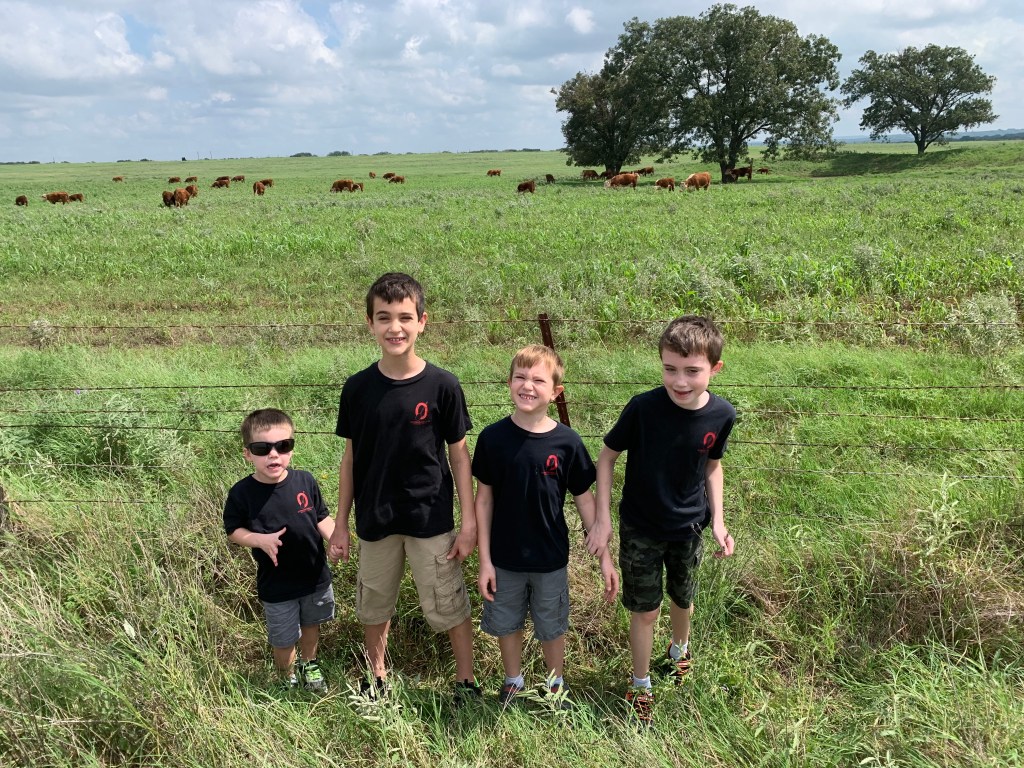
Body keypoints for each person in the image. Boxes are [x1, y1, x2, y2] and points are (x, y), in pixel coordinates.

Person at [327, 272, 480, 704]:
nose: (395, 327)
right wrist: (341, 523)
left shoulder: (443, 385)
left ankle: (465, 682)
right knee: (374, 602)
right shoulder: (358, 388)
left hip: (430, 516)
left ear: (422, 322)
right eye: (384, 317)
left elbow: (459, 456)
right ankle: (376, 677)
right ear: (370, 323)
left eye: (405, 318)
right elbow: (350, 460)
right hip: (375, 517)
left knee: (448, 600)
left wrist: (468, 523)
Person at [594, 315, 736, 723]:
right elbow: (606, 458)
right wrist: (602, 520)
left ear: (715, 369)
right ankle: (640, 684)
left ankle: (678, 651)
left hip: (689, 527)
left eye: (692, 371)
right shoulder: (643, 408)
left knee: (682, 597)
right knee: (645, 610)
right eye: (670, 369)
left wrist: (718, 521)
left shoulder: (722, 414)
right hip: (641, 526)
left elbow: (712, 466)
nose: (680, 381)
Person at [473, 345, 618, 706]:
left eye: (539, 380)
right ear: (509, 382)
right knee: (507, 623)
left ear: (556, 391)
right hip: (503, 558)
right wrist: (484, 561)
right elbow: (483, 501)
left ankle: (555, 684)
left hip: (550, 558)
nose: (528, 386)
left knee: (551, 625)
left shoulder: (567, 442)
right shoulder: (492, 438)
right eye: (520, 377)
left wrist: (605, 558)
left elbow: (585, 501)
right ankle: (513, 680)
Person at [223, 408, 336, 692]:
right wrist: (259, 540)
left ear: (291, 449)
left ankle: (309, 665)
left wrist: (336, 539)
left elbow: (321, 517)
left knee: (311, 625)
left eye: (283, 446)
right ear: (247, 454)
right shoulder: (242, 493)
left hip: (314, 576)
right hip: (277, 582)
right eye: (262, 448)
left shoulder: (305, 480)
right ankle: (287, 678)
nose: (274, 455)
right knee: (283, 637)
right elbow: (233, 530)